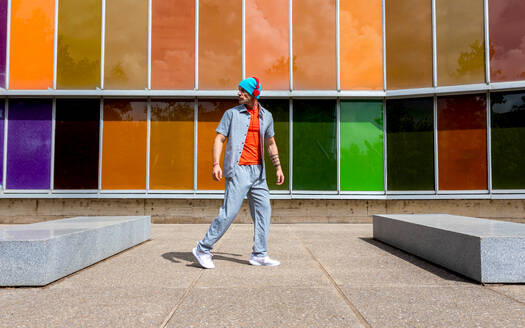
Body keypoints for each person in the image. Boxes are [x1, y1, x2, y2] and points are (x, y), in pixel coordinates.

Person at [192, 77, 284, 269]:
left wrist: (278, 167)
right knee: (229, 212)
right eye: (239, 90)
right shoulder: (231, 114)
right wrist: (216, 164)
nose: (238, 93)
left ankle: (259, 254)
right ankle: (203, 248)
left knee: (263, 211)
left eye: (243, 90)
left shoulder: (266, 116)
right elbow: (219, 139)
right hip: (238, 169)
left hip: (259, 172)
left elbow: (271, 143)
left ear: (254, 94)